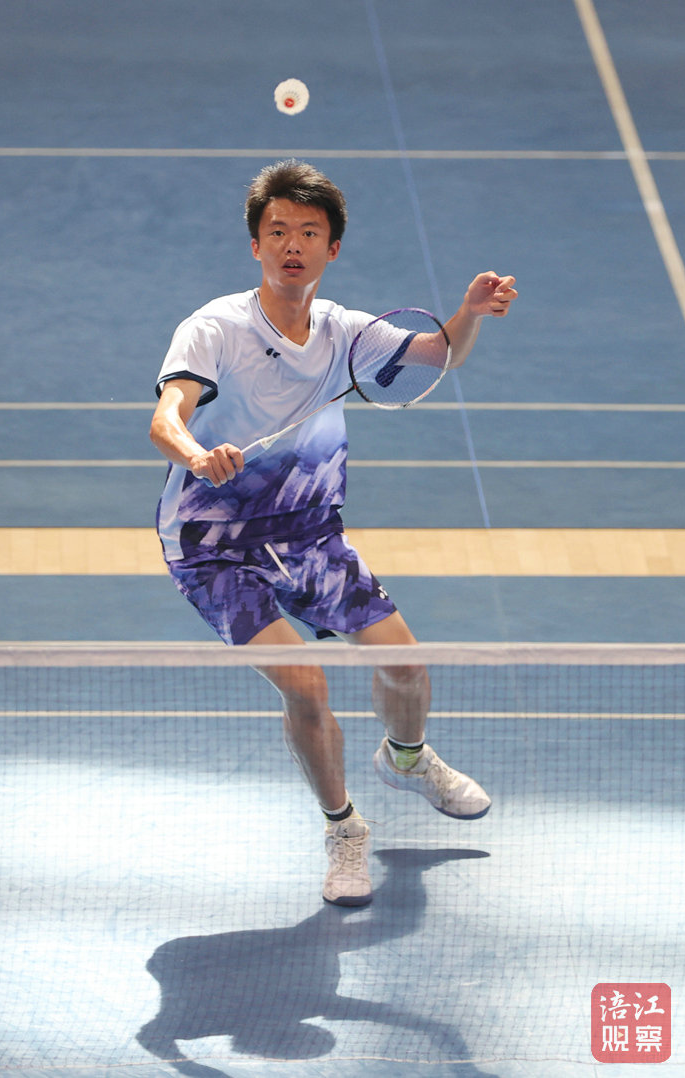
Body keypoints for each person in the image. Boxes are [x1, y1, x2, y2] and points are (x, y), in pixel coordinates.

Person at [150, 159, 517, 907]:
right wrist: (197, 454)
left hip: (309, 535)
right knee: (307, 684)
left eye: (309, 232)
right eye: (278, 230)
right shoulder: (215, 328)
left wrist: (469, 312)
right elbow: (166, 417)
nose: (293, 244)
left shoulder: (347, 333)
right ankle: (344, 828)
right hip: (214, 546)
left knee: (406, 665)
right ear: (256, 244)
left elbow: (439, 353)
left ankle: (406, 760)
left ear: (333, 247)